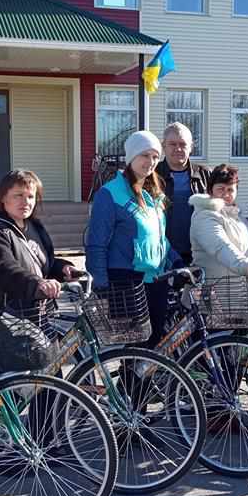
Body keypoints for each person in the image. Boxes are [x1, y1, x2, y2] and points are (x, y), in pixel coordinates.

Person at [85, 130, 179, 346]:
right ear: (131, 157)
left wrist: (177, 261)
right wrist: (100, 284)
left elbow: (160, 239)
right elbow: (96, 243)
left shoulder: (153, 195)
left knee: (154, 344)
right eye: (145, 155)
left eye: (155, 156)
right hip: (125, 282)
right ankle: (131, 381)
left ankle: (144, 381)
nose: (151, 161)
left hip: (156, 280)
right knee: (134, 350)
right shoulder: (110, 193)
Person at [0, 169, 76, 313]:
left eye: (31, 196)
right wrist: (38, 283)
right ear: (3, 197)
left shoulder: (34, 226)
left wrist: (63, 268)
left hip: (41, 313)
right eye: (18, 195)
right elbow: (4, 269)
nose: (26, 202)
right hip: (7, 316)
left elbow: (43, 265)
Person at [189, 164, 248, 279]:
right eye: (221, 189)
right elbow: (221, 247)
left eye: (230, 189)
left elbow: (244, 251)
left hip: (239, 290)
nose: (226, 194)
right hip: (212, 290)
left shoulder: (239, 218)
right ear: (210, 190)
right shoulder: (205, 216)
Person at [155, 122, 211, 265]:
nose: (178, 148)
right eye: (172, 144)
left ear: (191, 147)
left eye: (183, 144)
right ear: (163, 146)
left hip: (199, 253)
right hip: (162, 254)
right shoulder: (152, 176)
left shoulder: (206, 175)